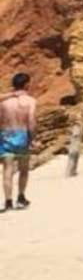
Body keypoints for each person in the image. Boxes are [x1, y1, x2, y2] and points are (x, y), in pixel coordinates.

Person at [0, 74, 34, 210]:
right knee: (23, 168)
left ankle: (8, 201)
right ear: (26, 84)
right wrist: (32, 139)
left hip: (6, 136)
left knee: (7, 170)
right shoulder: (30, 101)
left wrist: (11, 94)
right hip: (22, 136)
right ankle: (21, 197)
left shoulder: (4, 102)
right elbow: (31, 121)